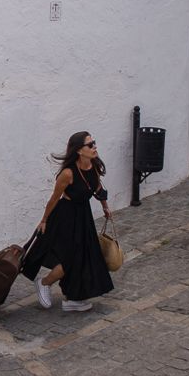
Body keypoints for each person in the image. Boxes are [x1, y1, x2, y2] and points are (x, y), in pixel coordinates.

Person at [22, 131, 114, 312]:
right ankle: (44, 283)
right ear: (79, 150)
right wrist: (44, 220)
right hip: (66, 217)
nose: (94, 146)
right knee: (71, 258)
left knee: (86, 257)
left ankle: (73, 298)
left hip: (84, 216)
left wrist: (105, 208)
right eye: (90, 144)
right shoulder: (68, 173)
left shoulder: (93, 166)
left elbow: (98, 188)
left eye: (94, 142)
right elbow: (54, 198)